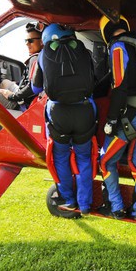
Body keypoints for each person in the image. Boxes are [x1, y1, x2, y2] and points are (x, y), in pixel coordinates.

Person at [97, 15, 136, 224]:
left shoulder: (118, 47)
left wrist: (111, 120)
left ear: (105, 31)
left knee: (105, 162)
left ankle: (116, 207)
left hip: (130, 118)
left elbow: (120, 86)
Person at [32, 24, 97, 215]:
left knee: (60, 157)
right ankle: (85, 204)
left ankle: (69, 200)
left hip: (59, 112)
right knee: (83, 157)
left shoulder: (43, 55)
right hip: (84, 110)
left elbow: (36, 89)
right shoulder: (83, 51)